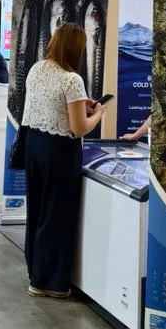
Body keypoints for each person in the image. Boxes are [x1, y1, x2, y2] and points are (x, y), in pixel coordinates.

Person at [22, 23, 106, 299]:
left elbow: (51, 106)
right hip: (59, 151)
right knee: (56, 215)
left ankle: (35, 271)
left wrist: (81, 104)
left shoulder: (37, 69)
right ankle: (48, 282)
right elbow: (79, 128)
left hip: (33, 144)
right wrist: (98, 114)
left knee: (37, 209)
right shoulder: (72, 79)